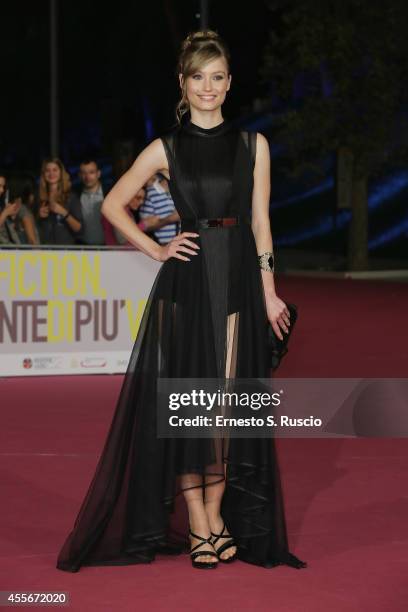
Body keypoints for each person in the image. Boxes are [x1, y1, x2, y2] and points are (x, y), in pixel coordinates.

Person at [56, 30, 307, 572]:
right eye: (199, 77)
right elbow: (115, 206)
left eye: (218, 77)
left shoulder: (253, 146)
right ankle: (197, 520)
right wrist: (158, 248)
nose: (208, 87)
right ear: (183, 83)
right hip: (189, 284)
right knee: (190, 406)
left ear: (230, 82)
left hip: (239, 280)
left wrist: (268, 292)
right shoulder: (164, 148)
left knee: (224, 407)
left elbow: (262, 223)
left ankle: (216, 514)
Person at [36, 158, 83, 245]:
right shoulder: (39, 198)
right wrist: (39, 216)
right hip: (45, 251)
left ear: (61, 173)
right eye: (47, 170)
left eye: (55, 170)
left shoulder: (71, 197)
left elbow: (79, 229)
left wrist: (63, 212)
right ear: (43, 174)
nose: (51, 174)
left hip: (66, 251)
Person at [139, 172, 180, 244]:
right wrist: (169, 219)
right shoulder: (150, 193)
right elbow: (145, 227)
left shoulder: (182, 191)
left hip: (185, 245)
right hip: (163, 246)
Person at [0, 174, 39, 245]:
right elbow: (32, 240)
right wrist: (5, 213)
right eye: (0, 186)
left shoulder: (17, 209)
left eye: (3, 187)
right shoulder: (20, 210)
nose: (2, 190)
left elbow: (32, 241)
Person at [75, 159, 106, 246]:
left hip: (107, 247)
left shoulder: (109, 193)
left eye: (91, 172)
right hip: (82, 247)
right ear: (79, 175)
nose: (87, 177)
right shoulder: (75, 195)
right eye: (84, 173)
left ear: (98, 173)